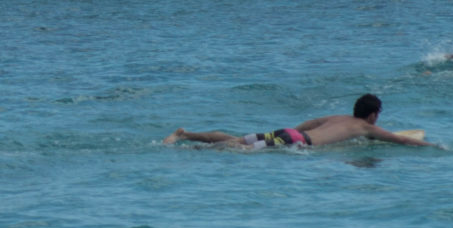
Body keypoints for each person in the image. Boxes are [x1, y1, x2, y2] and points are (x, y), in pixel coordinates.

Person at [164, 94, 434, 150]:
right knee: (239, 150)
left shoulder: (339, 117)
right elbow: (399, 139)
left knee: (236, 139)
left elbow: (309, 122)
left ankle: (186, 135)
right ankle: (193, 149)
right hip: (297, 142)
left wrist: (293, 132)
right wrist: (435, 147)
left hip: (291, 132)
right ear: (373, 114)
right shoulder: (366, 127)